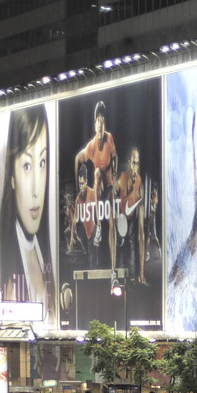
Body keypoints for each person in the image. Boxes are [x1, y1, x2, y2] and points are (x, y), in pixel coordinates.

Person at [0, 104, 54, 323]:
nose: (36, 190)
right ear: (11, 176)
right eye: (27, 166)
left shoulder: (47, 252)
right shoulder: (6, 267)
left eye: (42, 163)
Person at [74, 100, 118, 276]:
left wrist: (114, 175)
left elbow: (115, 156)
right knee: (98, 172)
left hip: (109, 188)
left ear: (105, 123)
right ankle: (99, 220)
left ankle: (113, 269)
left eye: (103, 121)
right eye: (98, 121)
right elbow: (78, 158)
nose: (100, 124)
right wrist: (78, 183)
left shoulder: (110, 138)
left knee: (113, 223)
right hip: (99, 192)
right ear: (94, 124)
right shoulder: (91, 145)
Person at [115, 145, 147, 284]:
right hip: (118, 220)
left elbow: (141, 232)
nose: (136, 167)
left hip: (130, 222)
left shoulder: (140, 187)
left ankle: (135, 276)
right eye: (134, 163)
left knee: (132, 239)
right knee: (120, 245)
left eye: (138, 164)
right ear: (129, 163)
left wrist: (142, 274)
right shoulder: (120, 180)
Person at [72, 161, 99, 268]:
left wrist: (99, 229)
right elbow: (74, 219)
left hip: (94, 230)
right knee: (87, 260)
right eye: (79, 184)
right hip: (85, 234)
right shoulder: (78, 198)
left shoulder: (92, 193)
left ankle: (96, 283)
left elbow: (99, 211)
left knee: (94, 260)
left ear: (86, 182)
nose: (80, 186)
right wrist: (72, 237)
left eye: (82, 184)